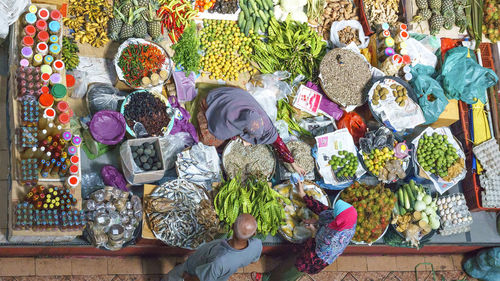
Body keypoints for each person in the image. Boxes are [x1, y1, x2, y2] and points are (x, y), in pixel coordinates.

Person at [252, 179, 357, 281]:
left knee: (293, 269)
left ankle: (269, 278)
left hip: (314, 257)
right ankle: (281, 267)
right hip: (315, 245)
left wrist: (313, 230)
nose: (333, 212)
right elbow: (322, 209)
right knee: (293, 257)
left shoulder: (332, 238)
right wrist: (303, 194)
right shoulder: (347, 219)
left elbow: (316, 244)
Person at [196, 86, 305, 175]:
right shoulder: (230, 115)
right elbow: (219, 128)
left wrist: (293, 163)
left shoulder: (263, 122)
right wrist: (235, 136)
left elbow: (277, 141)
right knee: (208, 140)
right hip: (215, 100)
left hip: (237, 97)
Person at [165, 213, 263, 281]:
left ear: (232, 226)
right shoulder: (257, 244)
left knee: (173, 277)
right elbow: (254, 260)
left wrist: (187, 278)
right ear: (254, 234)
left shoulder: (219, 261)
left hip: (192, 272)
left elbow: (202, 280)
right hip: (219, 271)